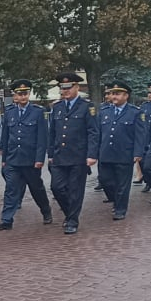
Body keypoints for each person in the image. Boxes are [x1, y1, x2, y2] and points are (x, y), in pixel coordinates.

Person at [0, 79, 53, 230]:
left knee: (36, 188)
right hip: (13, 159)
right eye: (20, 94)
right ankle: (6, 220)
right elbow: (6, 137)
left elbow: (42, 138)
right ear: (15, 96)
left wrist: (39, 159)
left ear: (29, 94)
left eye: (25, 93)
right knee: (11, 189)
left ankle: (46, 211)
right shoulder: (10, 113)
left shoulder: (38, 112)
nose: (23, 96)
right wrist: (4, 159)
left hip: (30, 159)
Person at [47, 72, 99, 234]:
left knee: (75, 190)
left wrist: (92, 154)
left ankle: (72, 221)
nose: (65, 91)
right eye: (62, 88)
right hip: (59, 155)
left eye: (68, 88)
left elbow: (93, 132)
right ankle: (70, 212)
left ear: (77, 87)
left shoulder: (86, 107)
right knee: (56, 187)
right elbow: (52, 132)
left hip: (78, 155)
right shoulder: (57, 107)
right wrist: (50, 154)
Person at [96, 81, 147, 220]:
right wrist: (94, 152)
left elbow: (140, 134)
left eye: (117, 94)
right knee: (105, 180)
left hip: (125, 153)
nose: (114, 96)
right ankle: (115, 199)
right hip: (106, 152)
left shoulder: (135, 112)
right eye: (112, 93)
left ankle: (120, 209)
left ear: (126, 96)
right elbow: (98, 133)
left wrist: (138, 153)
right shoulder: (104, 112)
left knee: (123, 184)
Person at [135, 84, 151, 189]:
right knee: (142, 162)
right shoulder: (145, 106)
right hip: (145, 137)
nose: (149, 95)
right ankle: (148, 181)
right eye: (148, 93)